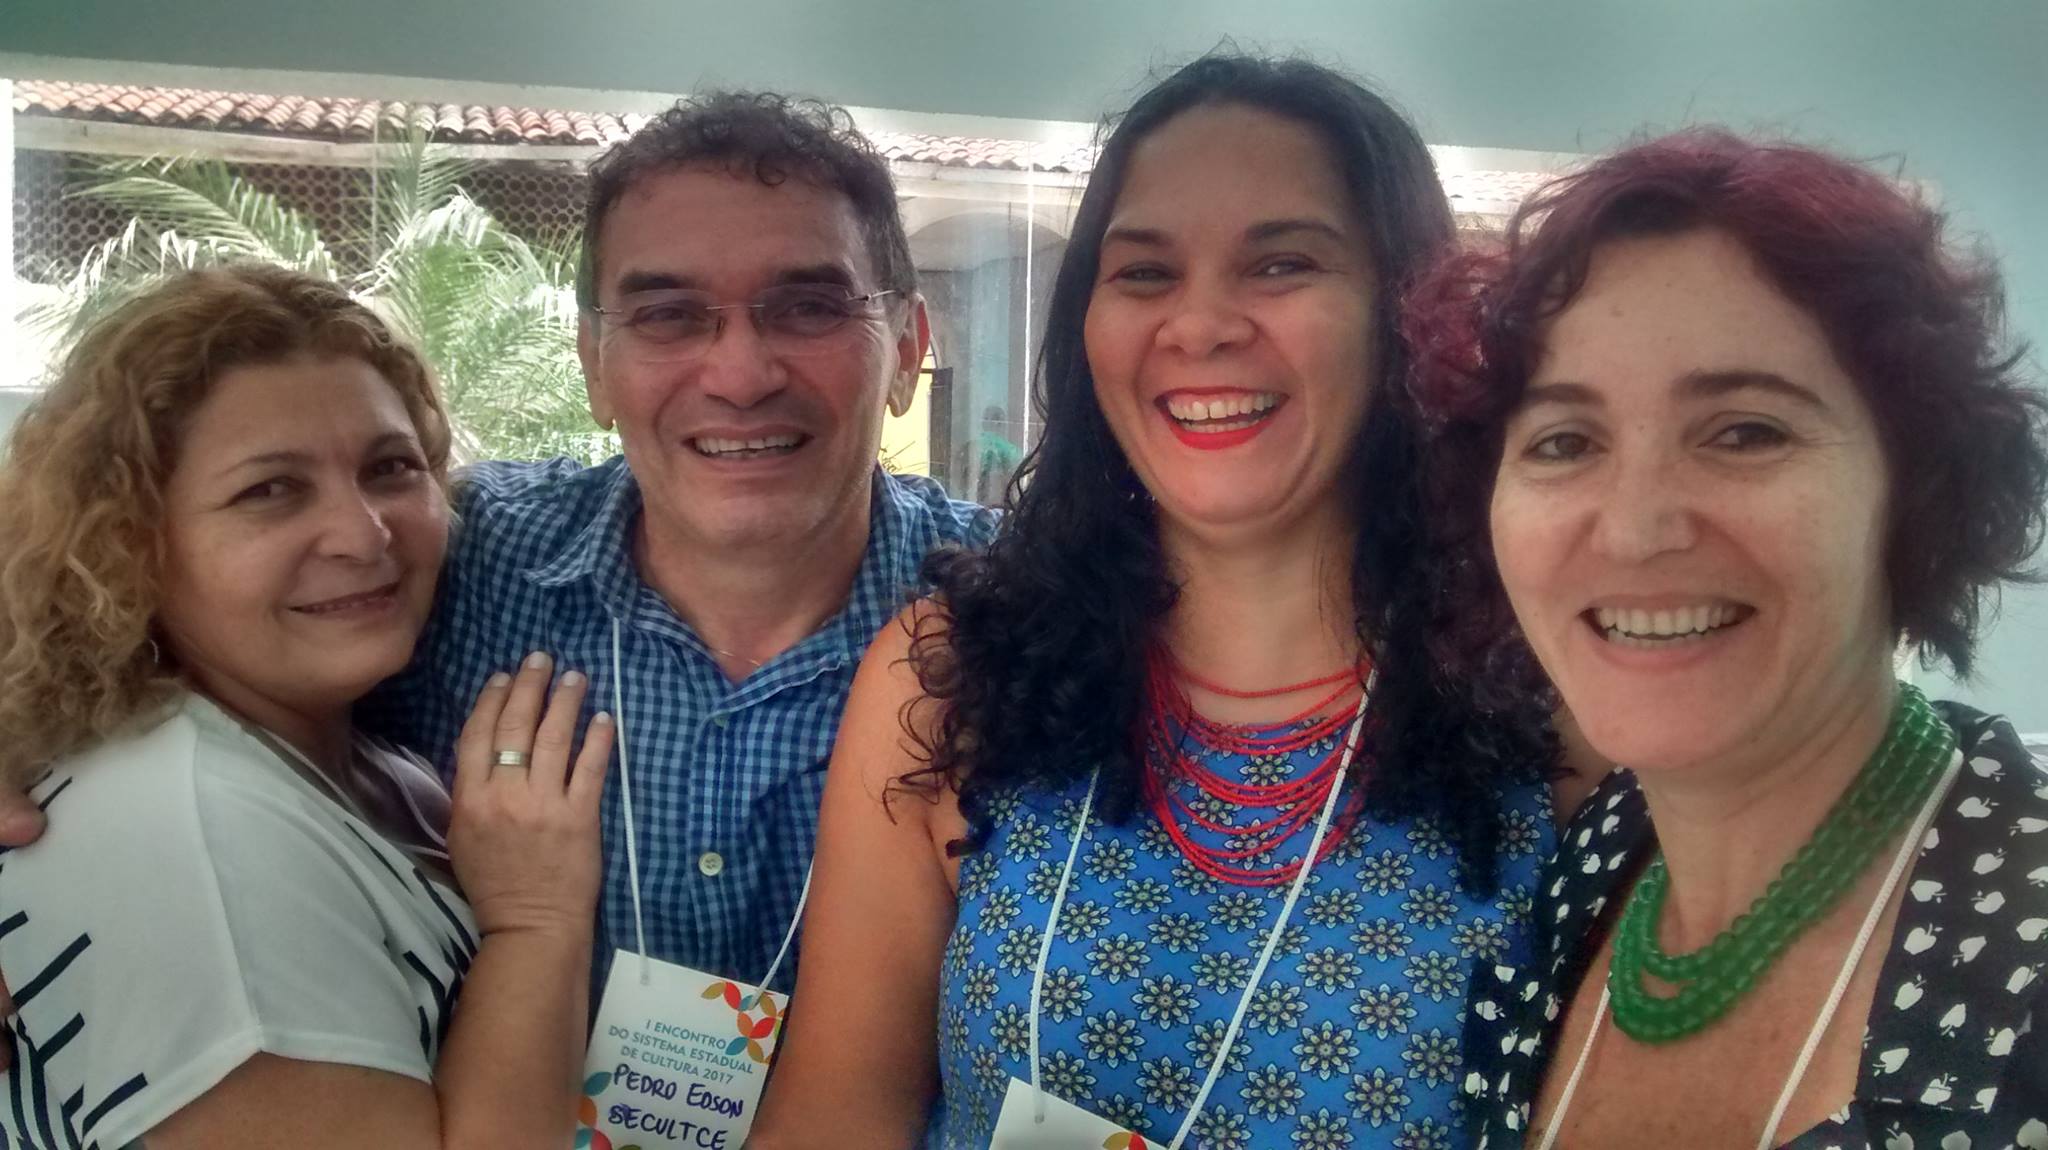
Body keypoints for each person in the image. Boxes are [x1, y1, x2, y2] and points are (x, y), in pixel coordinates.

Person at [0, 92, 995, 1011]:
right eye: (666, 315)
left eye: (808, 307)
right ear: (593, 364)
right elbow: (104, 606)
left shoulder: (1024, 615)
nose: (739, 374)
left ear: (908, 349)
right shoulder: (450, 563)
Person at [752, 54, 1556, 1150]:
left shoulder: (1553, 710)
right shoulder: (946, 679)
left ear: (1401, 311)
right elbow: (837, 1119)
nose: (1200, 323)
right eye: (1143, 272)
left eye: (1281, 262)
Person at [1404, 130, 2048, 1147]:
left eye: (1745, 430)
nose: (1634, 529)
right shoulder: (1591, 863)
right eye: (1564, 441)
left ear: (1915, 489)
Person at [0, 264, 610, 1148]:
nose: (363, 534)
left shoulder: (349, 755)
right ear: (129, 541)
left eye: (390, 467)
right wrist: (535, 923)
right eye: (270, 490)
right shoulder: (184, 836)